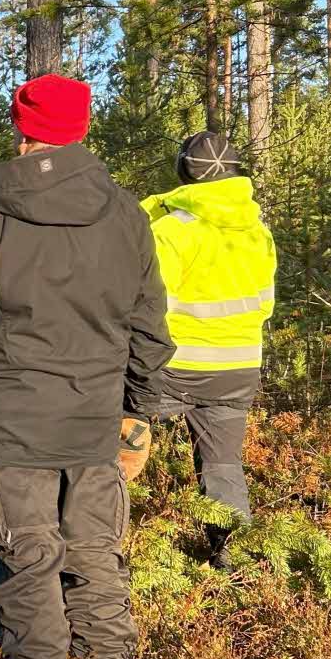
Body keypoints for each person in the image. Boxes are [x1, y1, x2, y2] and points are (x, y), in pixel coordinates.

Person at [0, 75, 175, 659]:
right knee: (95, 550)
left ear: (23, 126)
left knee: (29, 554)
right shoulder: (126, 213)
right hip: (95, 418)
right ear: (83, 128)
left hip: (14, 421)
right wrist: (139, 412)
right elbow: (148, 323)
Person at [129, 131, 278, 566]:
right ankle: (231, 558)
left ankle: (102, 541)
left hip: (172, 366)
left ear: (183, 174)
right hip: (239, 368)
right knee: (223, 465)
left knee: (109, 439)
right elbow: (264, 305)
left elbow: (142, 303)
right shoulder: (258, 231)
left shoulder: (172, 230)